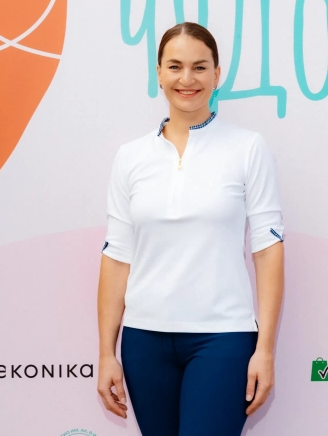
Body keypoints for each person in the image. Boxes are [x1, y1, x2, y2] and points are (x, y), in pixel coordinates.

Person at [96, 22, 285, 436]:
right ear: (159, 73)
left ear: (217, 75)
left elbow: (268, 251)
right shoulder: (131, 157)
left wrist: (265, 349)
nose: (187, 79)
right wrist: (107, 352)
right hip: (145, 341)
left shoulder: (247, 148)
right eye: (175, 66)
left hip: (223, 339)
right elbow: (117, 257)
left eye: (199, 67)